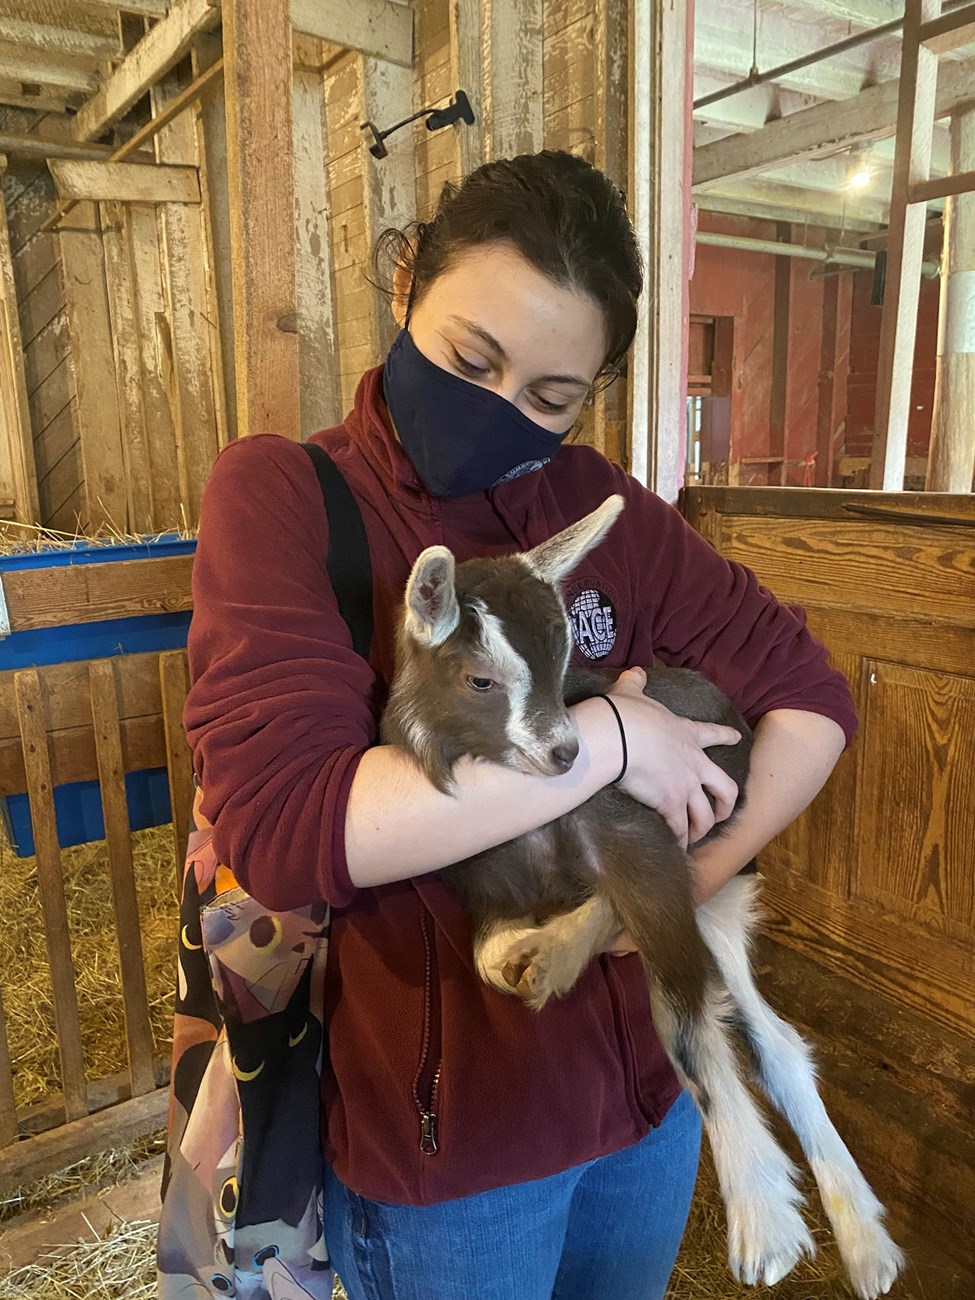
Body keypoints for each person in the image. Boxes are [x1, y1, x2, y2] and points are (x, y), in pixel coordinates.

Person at [184, 150, 855, 1300]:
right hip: (451, 1143)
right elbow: (293, 828)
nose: (504, 412)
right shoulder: (286, 497)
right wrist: (615, 735)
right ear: (407, 288)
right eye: (469, 359)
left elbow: (812, 696)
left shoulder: (607, 516)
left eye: (551, 396)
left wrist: (686, 888)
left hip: (644, 1112)